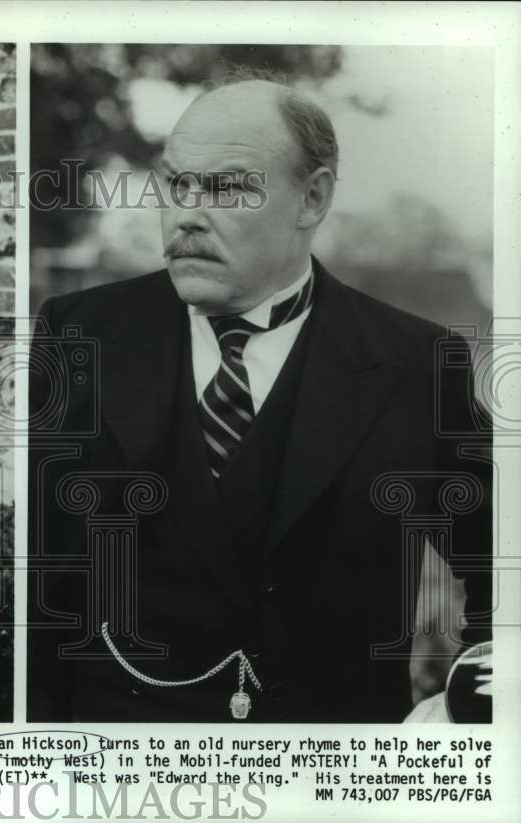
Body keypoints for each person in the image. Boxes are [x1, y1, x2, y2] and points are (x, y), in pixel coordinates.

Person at [27, 76, 492, 723]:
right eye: (175, 183)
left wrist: (472, 704)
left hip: (330, 786)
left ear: (313, 196)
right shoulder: (79, 336)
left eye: (226, 187)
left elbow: (505, 557)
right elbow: (36, 592)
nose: (187, 212)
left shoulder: (415, 363)